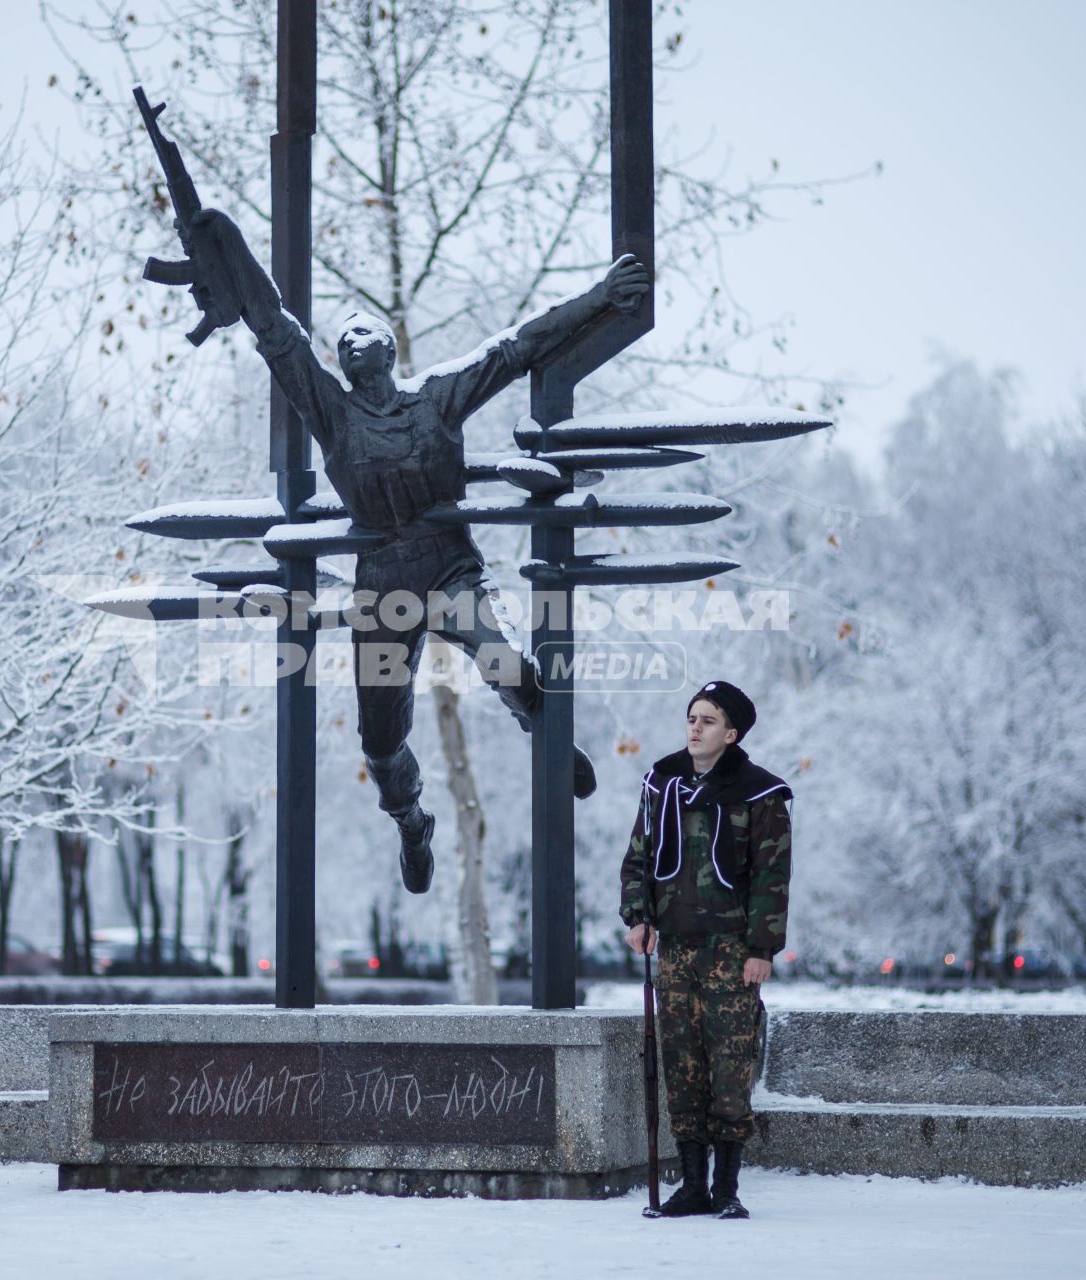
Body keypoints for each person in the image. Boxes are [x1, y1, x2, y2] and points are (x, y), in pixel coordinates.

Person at [173, 205, 651, 895]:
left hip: (450, 571)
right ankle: (411, 822)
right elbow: (274, 327)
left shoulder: (436, 400)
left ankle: (546, 734)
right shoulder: (331, 414)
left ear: (391, 348)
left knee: (502, 659)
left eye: (367, 331)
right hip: (384, 592)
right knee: (379, 739)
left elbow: (514, 348)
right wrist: (225, 243)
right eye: (346, 336)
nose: (354, 339)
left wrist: (601, 298)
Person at [620, 680, 791, 1219]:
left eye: (709, 721)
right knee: (682, 1065)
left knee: (730, 1067)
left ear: (732, 733)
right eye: (691, 718)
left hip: (732, 951)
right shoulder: (662, 784)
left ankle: (727, 1188)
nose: (695, 728)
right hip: (674, 949)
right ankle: (692, 1185)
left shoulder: (760, 793)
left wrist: (761, 948)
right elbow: (638, 857)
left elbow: (772, 875)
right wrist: (638, 915)